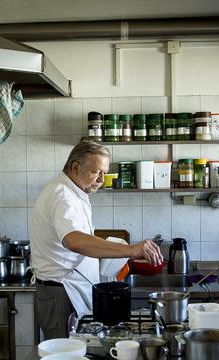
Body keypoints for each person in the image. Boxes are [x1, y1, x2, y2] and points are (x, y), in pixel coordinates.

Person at [30, 139, 164, 340]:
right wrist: (131, 250)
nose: (101, 179)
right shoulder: (62, 196)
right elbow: (74, 240)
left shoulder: (74, 192)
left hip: (69, 289)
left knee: (75, 356)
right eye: (95, 172)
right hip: (60, 293)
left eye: (104, 172)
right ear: (75, 167)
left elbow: (80, 238)